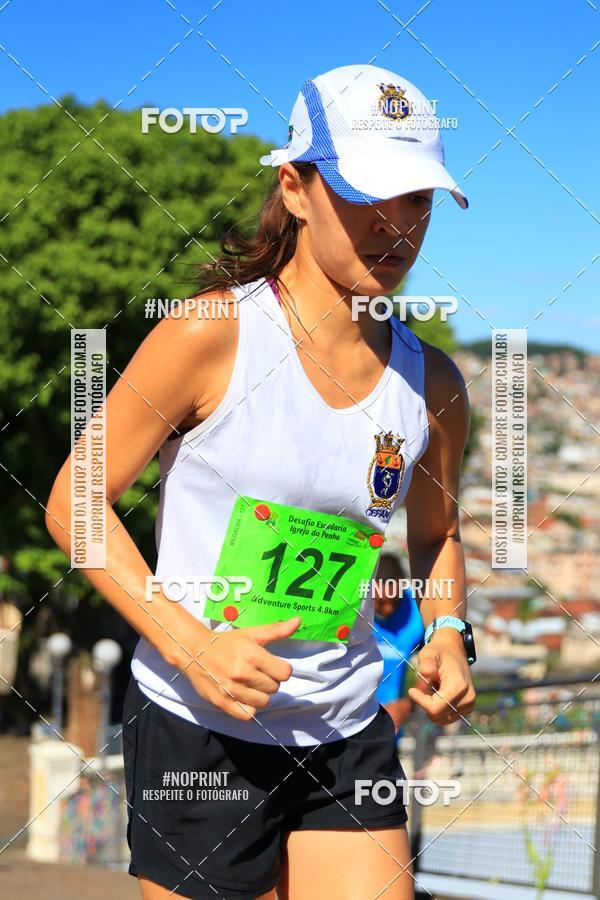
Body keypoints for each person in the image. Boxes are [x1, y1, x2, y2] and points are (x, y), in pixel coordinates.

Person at [46, 63, 477, 900]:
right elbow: (75, 501)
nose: (396, 227)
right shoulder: (211, 333)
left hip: (348, 728)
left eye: (418, 199)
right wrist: (192, 643)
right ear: (298, 185)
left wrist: (450, 629)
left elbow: (437, 533)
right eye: (370, 195)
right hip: (196, 725)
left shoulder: (437, 387)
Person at [372, 549, 425, 742]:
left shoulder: (417, 612)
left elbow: (434, 667)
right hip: (345, 729)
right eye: (381, 602)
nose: (389, 609)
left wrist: (408, 703)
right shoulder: (352, 610)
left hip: (390, 735)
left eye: (396, 601)